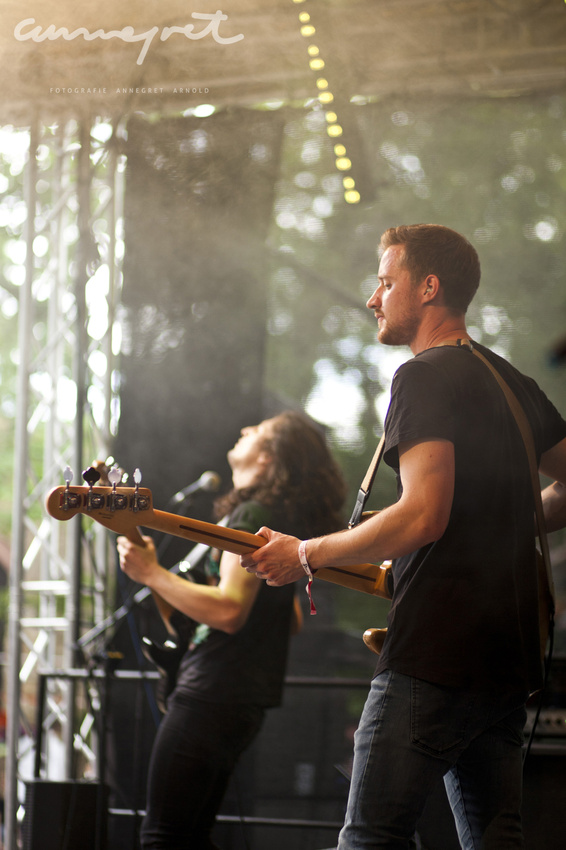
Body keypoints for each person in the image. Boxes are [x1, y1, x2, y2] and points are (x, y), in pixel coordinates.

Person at [241, 224, 566, 849]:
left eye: (386, 282)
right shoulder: (513, 384)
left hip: (436, 653)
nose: (374, 298)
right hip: (506, 658)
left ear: (429, 287)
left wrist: (305, 552)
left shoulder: (422, 378)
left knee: (370, 838)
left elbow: (422, 516)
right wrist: (506, 521)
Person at [117, 410, 346, 850]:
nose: (243, 430)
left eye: (256, 432)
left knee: (162, 838)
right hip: (236, 695)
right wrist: (154, 571)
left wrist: (151, 574)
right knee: (189, 837)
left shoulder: (252, 516)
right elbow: (286, 621)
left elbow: (228, 612)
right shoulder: (274, 519)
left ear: (266, 460)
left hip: (212, 690)